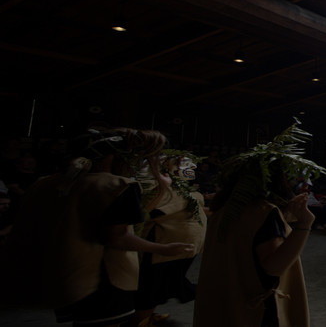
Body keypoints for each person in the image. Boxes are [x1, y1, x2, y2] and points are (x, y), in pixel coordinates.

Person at [0, 128, 195, 327]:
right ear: (114, 156)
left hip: (58, 269)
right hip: (104, 274)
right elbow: (115, 237)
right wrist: (164, 249)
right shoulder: (116, 185)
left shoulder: (44, 183)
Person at [193, 121, 326, 327]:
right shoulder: (262, 212)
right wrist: (304, 224)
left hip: (225, 303)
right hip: (256, 310)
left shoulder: (225, 208)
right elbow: (273, 267)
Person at [134, 151, 208, 327]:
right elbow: (149, 213)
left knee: (161, 285)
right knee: (150, 286)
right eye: (184, 165)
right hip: (163, 247)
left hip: (181, 249)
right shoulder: (159, 189)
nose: (191, 168)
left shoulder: (182, 189)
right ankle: (140, 321)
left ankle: (147, 315)